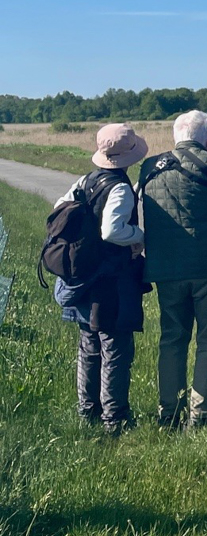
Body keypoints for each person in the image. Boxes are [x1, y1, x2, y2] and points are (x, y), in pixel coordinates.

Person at [139, 110, 207, 428]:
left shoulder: (149, 166)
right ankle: (202, 414)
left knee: (172, 337)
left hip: (166, 266)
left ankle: (168, 410)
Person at [53, 123, 150, 435]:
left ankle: (88, 412)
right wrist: (140, 236)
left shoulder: (86, 180)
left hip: (85, 277)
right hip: (111, 281)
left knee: (89, 346)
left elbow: (59, 209)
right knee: (116, 349)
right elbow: (112, 231)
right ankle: (115, 418)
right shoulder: (120, 187)